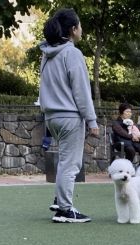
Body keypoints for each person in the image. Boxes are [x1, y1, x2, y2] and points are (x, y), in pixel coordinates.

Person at [39, 8, 98, 223]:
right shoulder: (72, 53)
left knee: (65, 161)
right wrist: (92, 120)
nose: (81, 30)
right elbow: (81, 90)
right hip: (70, 117)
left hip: (51, 117)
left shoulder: (47, 54)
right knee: (71, 164)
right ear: (73, 29)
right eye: (80, 26)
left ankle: (59, 200)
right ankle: (65, 210)